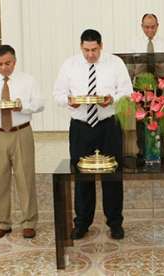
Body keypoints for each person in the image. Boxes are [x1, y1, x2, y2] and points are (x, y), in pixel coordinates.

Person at [53, 29, 132, 240]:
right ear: (81, 47)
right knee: (81, 176)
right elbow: (58, 94)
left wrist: (112, 98)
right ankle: (82, 223)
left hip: (108, 125)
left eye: (94, 50)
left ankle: (115, 223)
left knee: (113, 175)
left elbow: (127, 90)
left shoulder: (115, 63)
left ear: (101, 46)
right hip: (81, 126)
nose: (90, 54)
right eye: (86, 50)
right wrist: (69, 100)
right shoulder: (69, 64)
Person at [0, 45, 44, 239]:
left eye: (8, 63)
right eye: (0, 64)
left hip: (21, 132)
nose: (4, 67)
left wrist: (23, 106)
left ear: (15, 60)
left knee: (25, 178)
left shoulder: (28, 80)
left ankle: (29, 222)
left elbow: (39, 104)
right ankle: (2, 223)